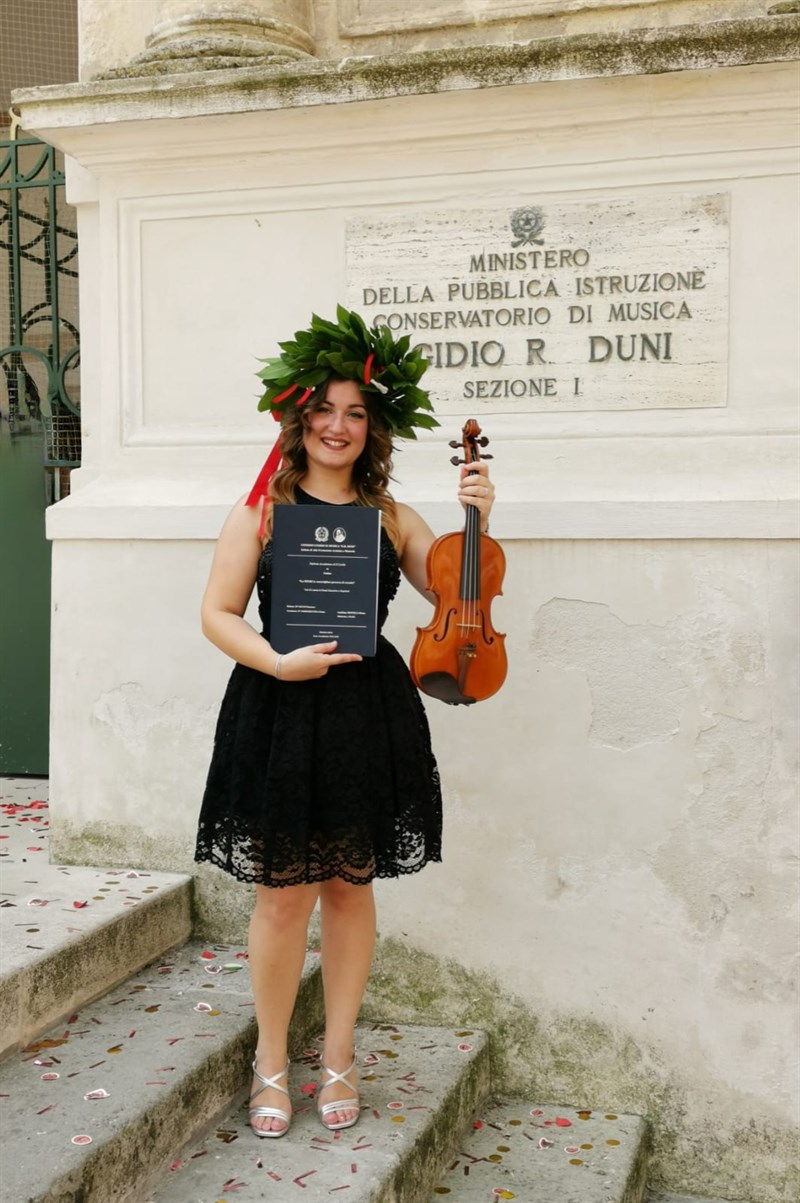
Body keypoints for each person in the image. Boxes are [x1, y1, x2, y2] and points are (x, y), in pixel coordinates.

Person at [194, 306, 495, 1138]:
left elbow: (457, 597)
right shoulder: (260, 509)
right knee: (282, 897)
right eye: (324, 409)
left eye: (356, 412)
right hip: (279, 705)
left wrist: (478, 513)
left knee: (349, 886)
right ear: (299, 419)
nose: (338, 424)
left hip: (366, 711)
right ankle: (268, 1056)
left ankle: (337, 1054)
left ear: (375, 426)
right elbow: (218, 613)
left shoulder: (392, 515)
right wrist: (275, 658)